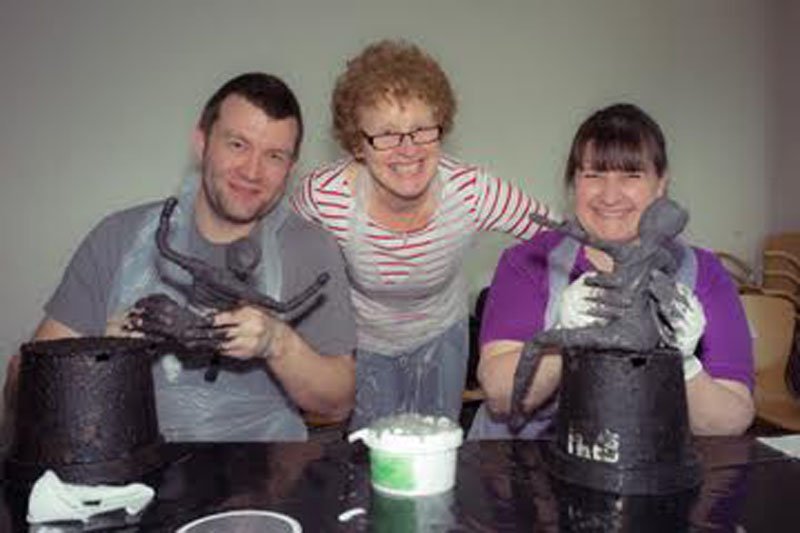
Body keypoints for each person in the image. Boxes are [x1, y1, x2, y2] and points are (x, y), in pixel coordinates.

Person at [7, 73, 357, 442]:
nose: (252, 171)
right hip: (131, 458)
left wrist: (277, 342)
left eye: (274, 156)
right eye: (237, 144)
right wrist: (100, 353)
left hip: (263, 464)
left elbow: (337, 405)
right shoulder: (118, 237)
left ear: (291, 167)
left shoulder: (310, 248)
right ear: (201, 142)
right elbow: (20, 387)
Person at [291, 40, 552, 430]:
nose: (408, 150)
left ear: (440, 126)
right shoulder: (325, 197)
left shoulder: (472, 192)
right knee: (374, 448)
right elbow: (280, 247)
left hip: (442, 333)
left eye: (421, 130)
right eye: (387, 134)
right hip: (365, 340)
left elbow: (560, 238)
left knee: (435, 443)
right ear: (357, 144)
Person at [471, 103, 754, 439]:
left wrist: (683, 364)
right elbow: (500, 397)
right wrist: (566, 336)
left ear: (661, 184)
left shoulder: (702, 274)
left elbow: (732, 421)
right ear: (574, 183)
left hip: (648, 461)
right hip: (527, 461)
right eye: (593, 175)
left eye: (631, 175)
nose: (609, 196)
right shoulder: (530, 262)